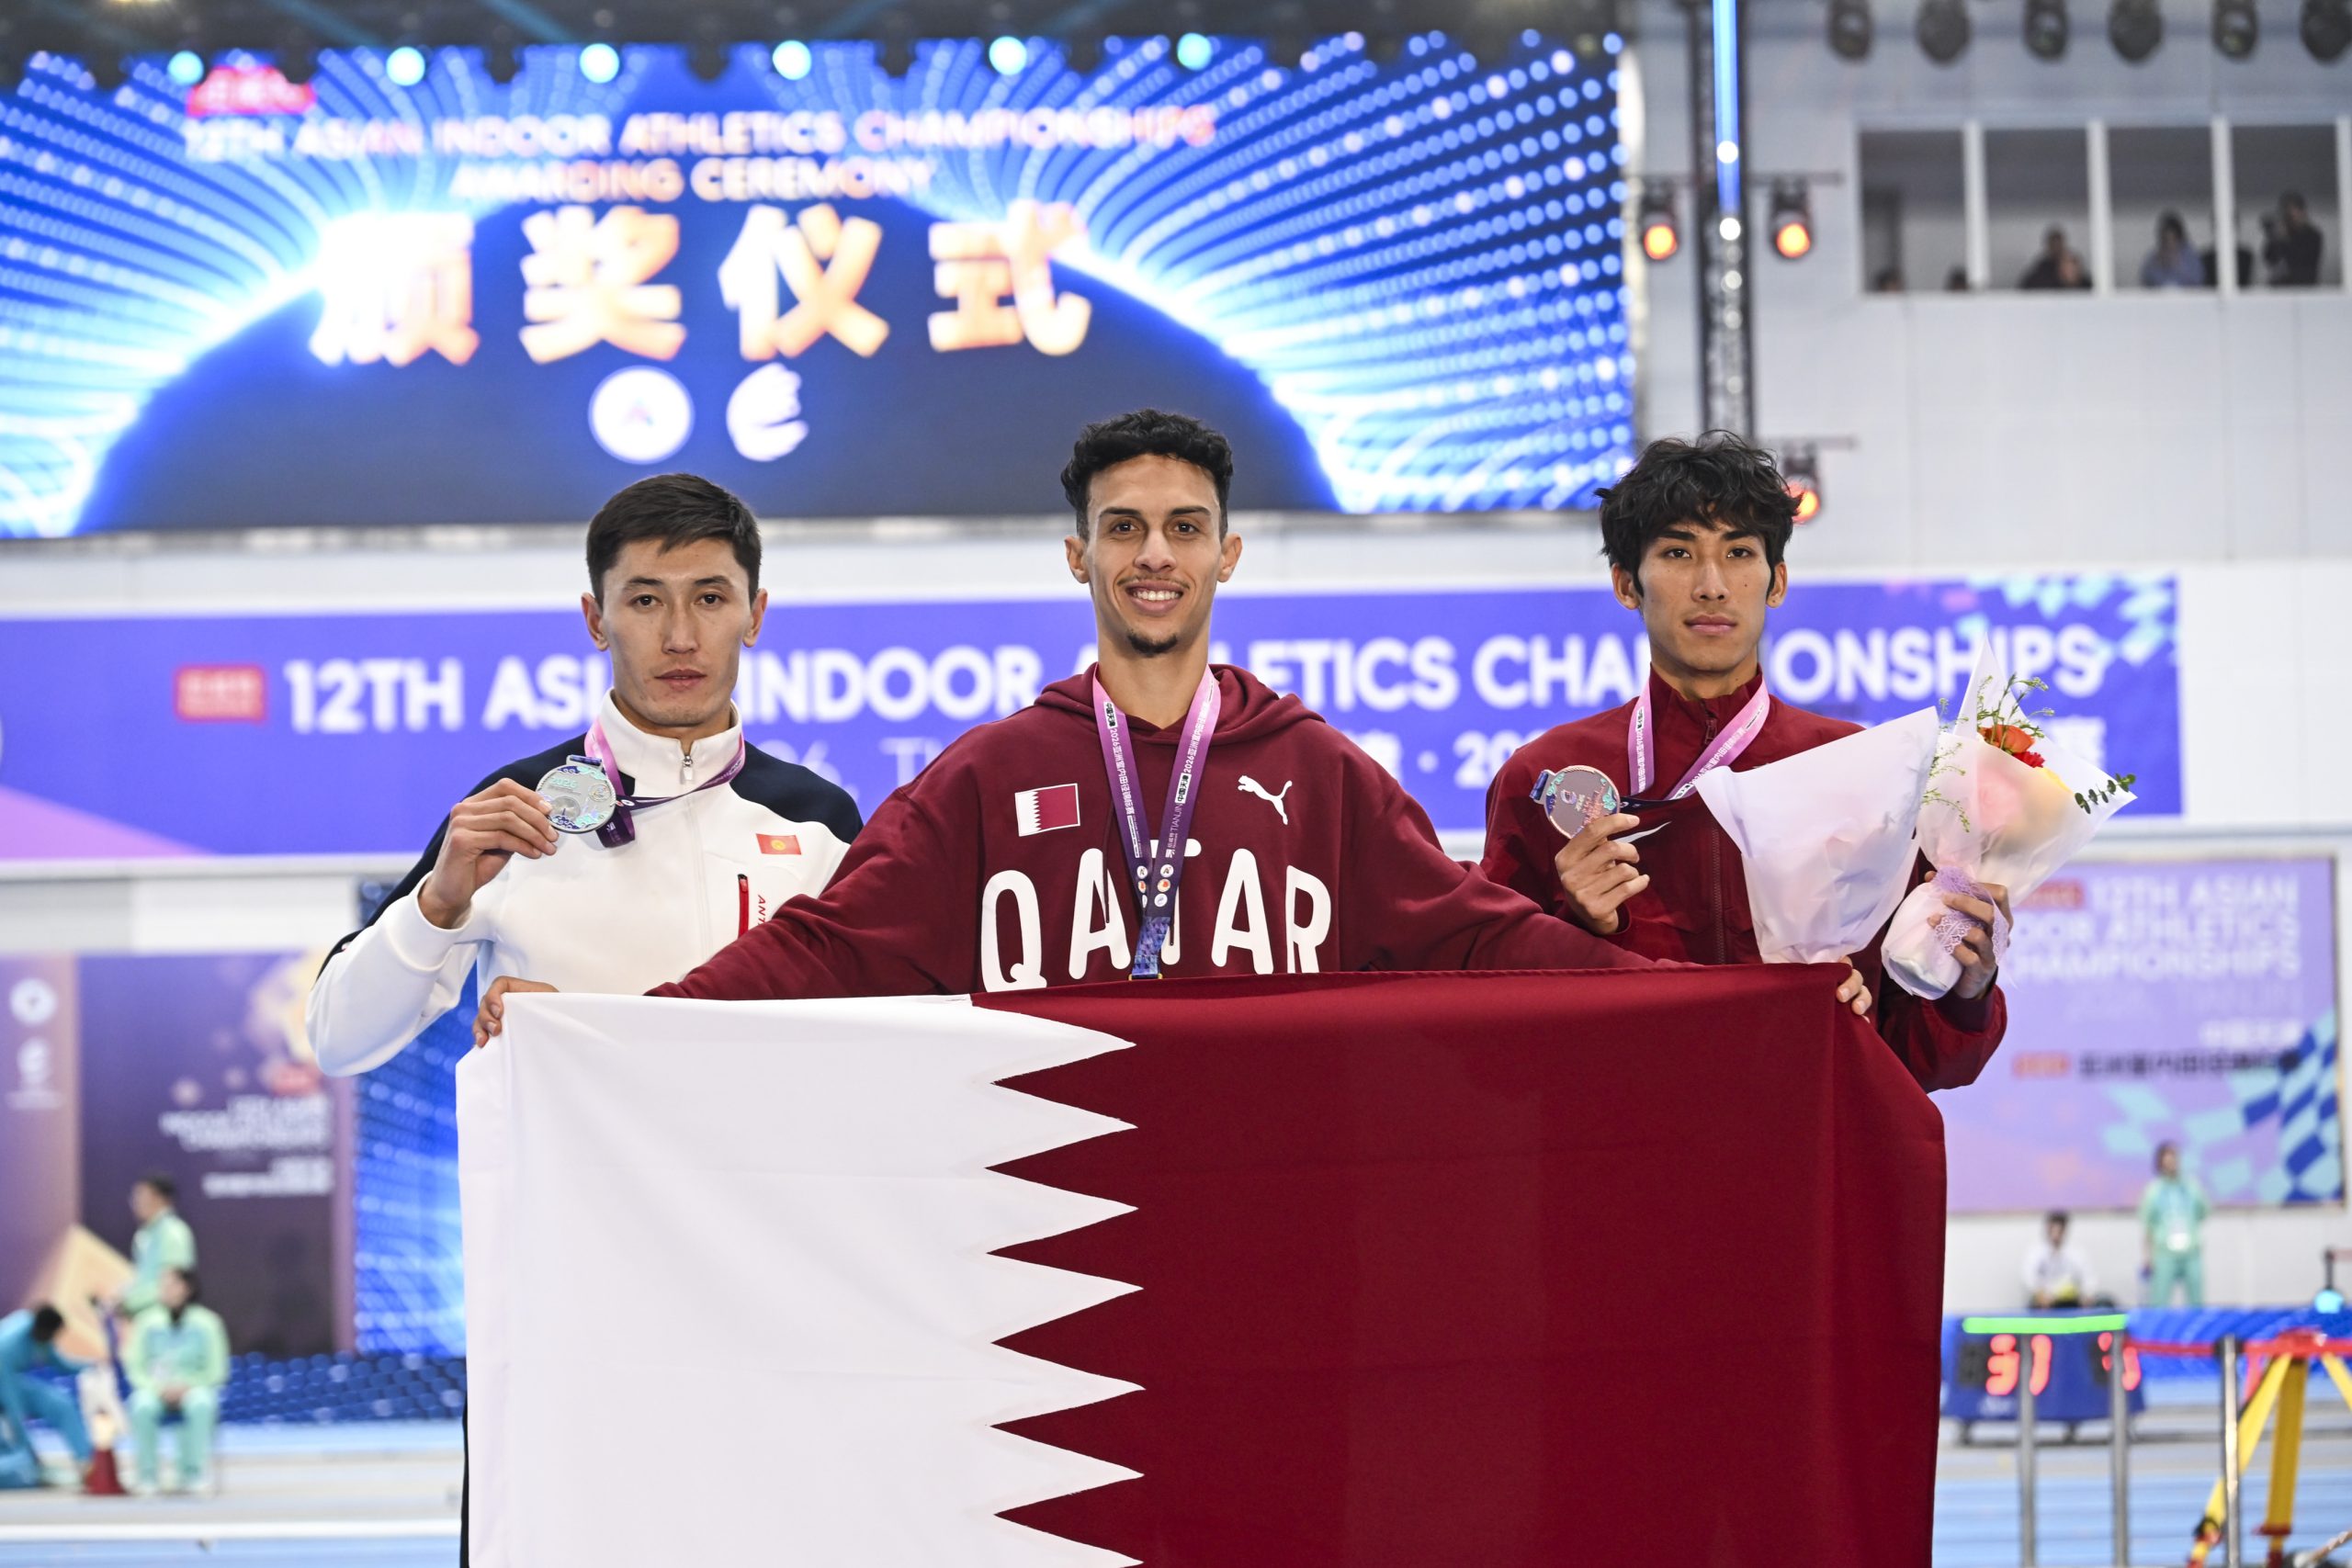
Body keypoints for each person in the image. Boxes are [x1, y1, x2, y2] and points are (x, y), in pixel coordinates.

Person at [477, 409, 1876, 1028]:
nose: (1155, 554)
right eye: (1125, 527)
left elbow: (1481, 938)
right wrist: (612, 1028)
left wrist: (1730, 1004)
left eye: (1185, 527)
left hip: (1277, 1214)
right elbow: (824, 950)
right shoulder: (989, 776)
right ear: (1078, 556)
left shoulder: (1318, 773)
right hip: (1044, 1223)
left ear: (1227, 555)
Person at [1477, 433, 2006, 1091]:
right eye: (1677, 553)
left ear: (1776, 581)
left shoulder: (1867, 769)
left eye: (1739, 553)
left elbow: (1922, 1057)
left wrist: (1965, 986)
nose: (1712, 586)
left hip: (1806, 1131)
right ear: (1626, 584)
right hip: (1624, 1136)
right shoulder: (1544, 777)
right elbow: (1491, 1030)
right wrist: (1569, 929)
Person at [309, 473, 865, 1076]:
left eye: (709, 599)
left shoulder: (820, 820)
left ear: (753, 616)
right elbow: (338, 1039)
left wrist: (585, 1026)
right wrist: (437, 905)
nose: (680, 638)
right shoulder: (515, 809)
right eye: (646, 601)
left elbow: (872, 1032)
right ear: (596, 620)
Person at [124, 1268, 229, 1495]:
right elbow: (135, 1367)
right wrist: (158, 1388)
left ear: (187, 1288)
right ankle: (147, 1477)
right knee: (141, 1405)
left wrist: (189, 1386)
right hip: (156, 1390)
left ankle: (194, 1475)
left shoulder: (209, 1323)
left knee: (202, 1404)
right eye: (163, 1286)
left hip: (193, 1388)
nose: (166, 1290)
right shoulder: (146, 1322)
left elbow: (217, 1370)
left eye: (172, 1285)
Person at [0, 1305, 95, 1489]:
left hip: (14, 1382)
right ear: (41, 1330)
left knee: (61, 1404)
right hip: (4, 1383)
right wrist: (30, 1452)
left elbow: (60, 1364)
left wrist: (90, 1365)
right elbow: (14, 1407)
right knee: (20, 1459)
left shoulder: (42, 1335)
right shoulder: (8, 1345)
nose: (52, 1340)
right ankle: (28, 1465)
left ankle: (86, 1462)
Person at [116, 1173, 196, 1318]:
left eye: (140, 1196)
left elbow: (173, 1286)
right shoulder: (145, 1233)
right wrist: (122, 1295)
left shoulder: (174, 1233)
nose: (135, 1202)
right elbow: (141, 1279)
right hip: (141, 1318)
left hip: (163, 1321)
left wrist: (129, 1301)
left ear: (159, 1198)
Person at [2140, 1142, 2209, 1306]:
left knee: (2196, 1301)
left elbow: (2203, 1212)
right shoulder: (2154, 1191)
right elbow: (2148, 1226)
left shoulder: (2191, 1187)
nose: (2172, 1165)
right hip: (2164, 1251)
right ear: (2160, 1164)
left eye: (2174, 1160)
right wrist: (2147, 1256)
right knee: (2159, 1300)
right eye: (2167, 1162)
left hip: (2190, 1251)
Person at [2022, 1211, 2099, 1308]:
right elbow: (2028, 1276)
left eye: (2059, 1231)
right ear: (2047, 1229)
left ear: (2064, 1230)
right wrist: (2039, 1293)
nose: (2055, 1235)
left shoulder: (2076, 1251)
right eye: (2052, 1230)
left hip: (2072, 1301)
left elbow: (2089, 1276)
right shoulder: (2036, 1252)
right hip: (2046, 1301)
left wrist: (2087, 1294)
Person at [2261, 192, 2324, 287]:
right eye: (2286, 211)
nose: (2290, 216)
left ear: (2302, 211)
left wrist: (2285, 240)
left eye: (2293, 211)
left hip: (2305, 286)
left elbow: (2303, 261)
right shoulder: (2279, 234)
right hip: (2280, 286)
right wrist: (2274, 238)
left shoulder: (2313, 235)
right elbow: (2269, 259)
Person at [2141, 211, 2205, 288]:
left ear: (2179, 238)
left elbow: (2198, 280)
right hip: (2161, 294)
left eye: (2172, 239)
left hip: (2186, 294)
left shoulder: (2190, 255)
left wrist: (2178, 266)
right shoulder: (2154, 256)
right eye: (2165, 240)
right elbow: (2145, 281)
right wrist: (2157, 265)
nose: (2169, 244)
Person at [2018, 226, 2090, 290]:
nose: (2056, 248)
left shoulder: (2085, 282)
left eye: (2058, 244)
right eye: (2053, 244)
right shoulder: (2042, 269)